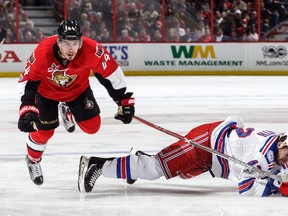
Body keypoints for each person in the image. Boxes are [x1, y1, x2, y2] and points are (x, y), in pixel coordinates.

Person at [17, 20, 135, 186]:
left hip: (77, 91)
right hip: (45, 94)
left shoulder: (92, 49)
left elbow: (110, 72)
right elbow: (28, 82)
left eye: (75, 43)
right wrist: (28, 108)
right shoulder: (43, 52)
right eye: (66, 44)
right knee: (44, 132)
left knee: (93, 126)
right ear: (58, 42)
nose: (71, 49)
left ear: (80, 42)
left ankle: (68, 113)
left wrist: (123, 99)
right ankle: (33, 160)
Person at [78, 116, 288, 197]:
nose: (287, 160)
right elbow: (246, 189)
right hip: (204, 146)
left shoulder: (276, 144)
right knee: (155, 169)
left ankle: (137, 161)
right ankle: (97, 165)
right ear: (281, 144)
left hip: (213, 155)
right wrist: (277, 188)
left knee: (182, 175)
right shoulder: (261, 156)